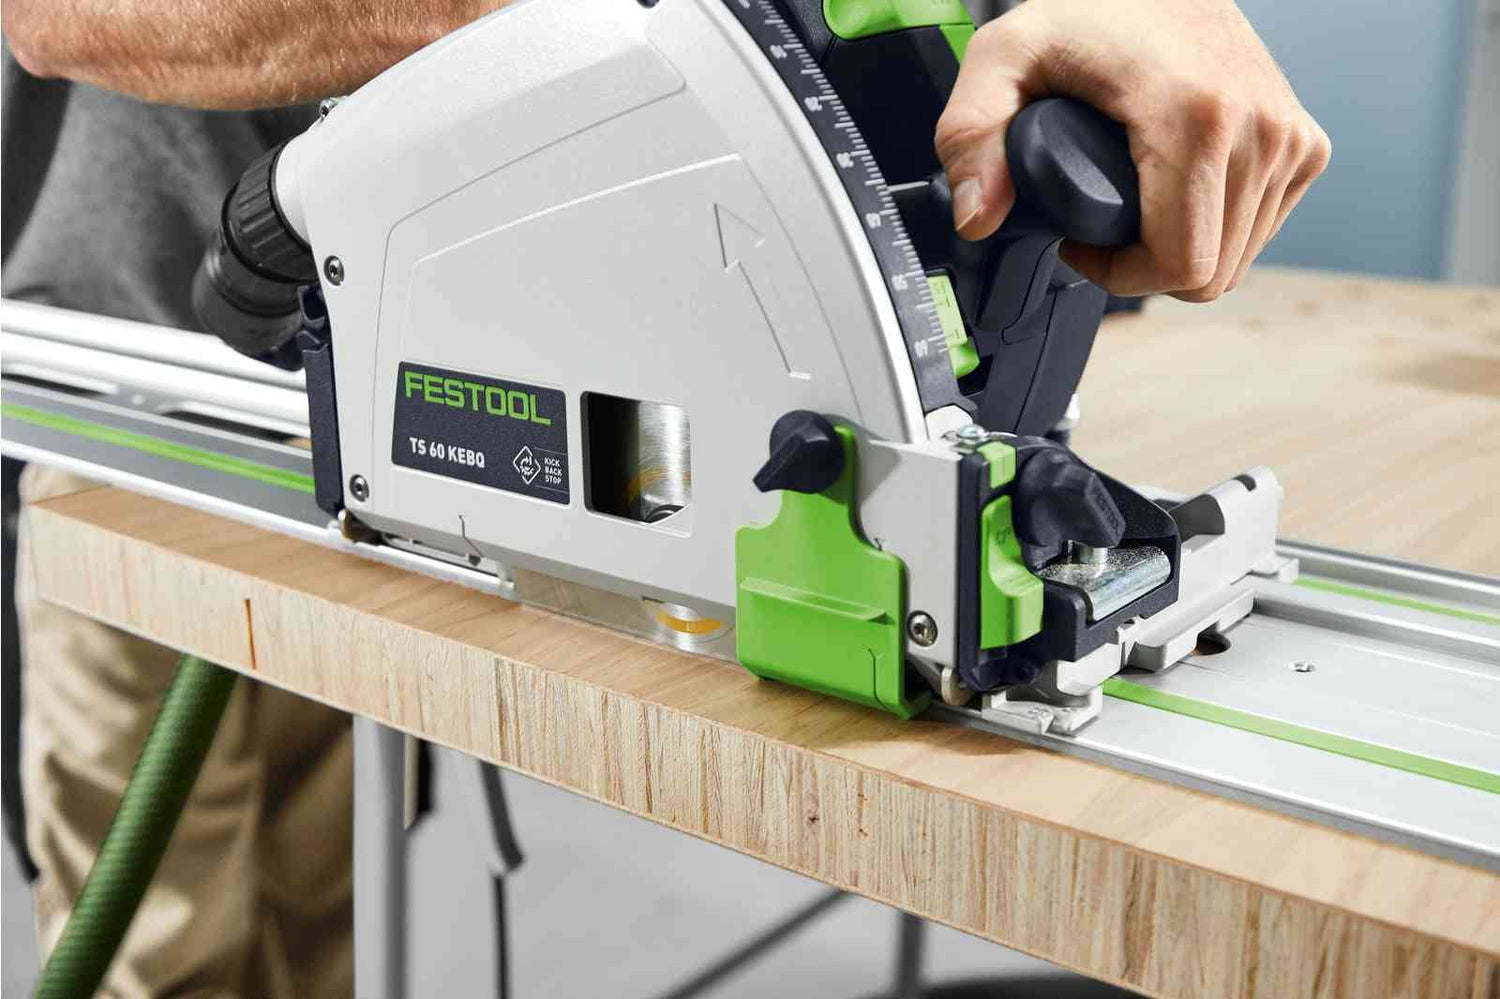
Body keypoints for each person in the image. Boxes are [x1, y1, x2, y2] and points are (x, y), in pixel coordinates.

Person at [0, 0, 1328, 993]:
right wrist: (607, 23)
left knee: (330, 899)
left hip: (459, 399)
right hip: (150, 395)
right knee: (169, 940)